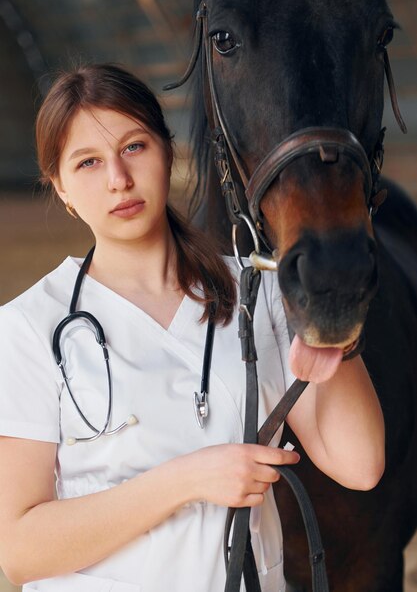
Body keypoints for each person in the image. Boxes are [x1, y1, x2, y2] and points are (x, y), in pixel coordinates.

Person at [0, 63, 384, 592]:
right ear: (61, 189)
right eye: (88, 162)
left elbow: (361, 465)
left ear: (167, 151)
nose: (118, 179)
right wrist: (187, 479)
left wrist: (330, 312)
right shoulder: (28, 327)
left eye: (134, 147)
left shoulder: (260, 293)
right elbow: (19, 552)